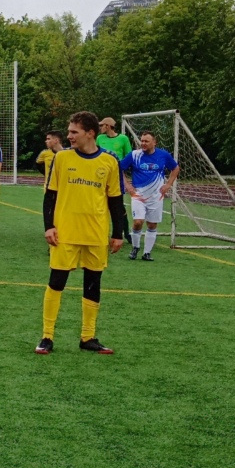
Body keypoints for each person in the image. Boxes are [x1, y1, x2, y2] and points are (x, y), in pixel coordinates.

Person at [35, 111, 127, 356]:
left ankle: (88, 337)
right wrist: (49, 226)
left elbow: (116, 200)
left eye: (74, 132)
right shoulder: (62, 158)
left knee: (93, 284)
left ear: (90, 133)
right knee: (56, 282)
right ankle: (47, 336)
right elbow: (50, 196)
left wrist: (118, 233)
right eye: (69, 131)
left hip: (96, 234)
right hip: (65, 232)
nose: (69, 136)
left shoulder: (109, 161)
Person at [119, 131, 180, 261]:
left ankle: (147, 253)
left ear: (154, 142)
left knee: (152, 225)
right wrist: (127, 186)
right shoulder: (134, 155)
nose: (143, 143)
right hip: (138, 195)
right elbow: (119, 168)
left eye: (146, 141)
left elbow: (175, 168)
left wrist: (169, 184)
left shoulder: (163, 155)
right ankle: (135, 247)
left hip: (156, 196)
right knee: (138, 222)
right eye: (142, 141)